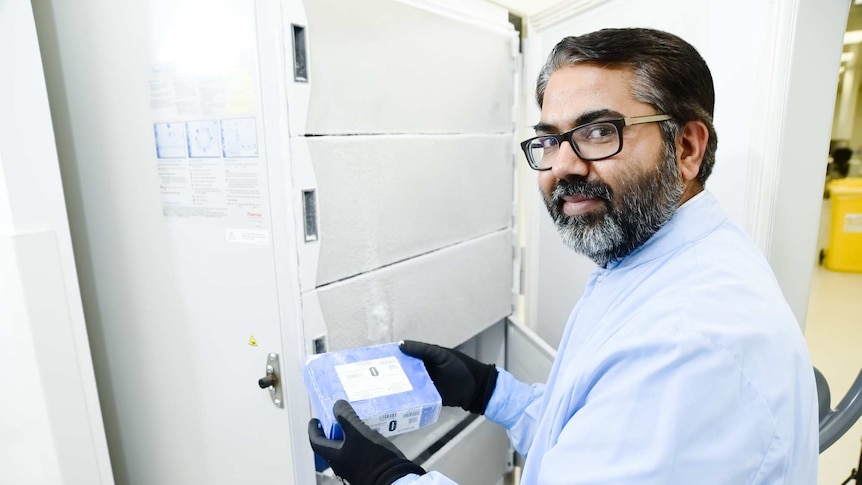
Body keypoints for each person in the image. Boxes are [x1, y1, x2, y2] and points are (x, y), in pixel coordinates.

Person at [308, 27, 818, 485]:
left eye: (599, 131)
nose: (564, 165)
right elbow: (585, 446)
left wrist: (386, 477)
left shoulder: (690, 342)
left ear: (686, 148)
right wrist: (490, 391)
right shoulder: (653, 260)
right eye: (550, 139)